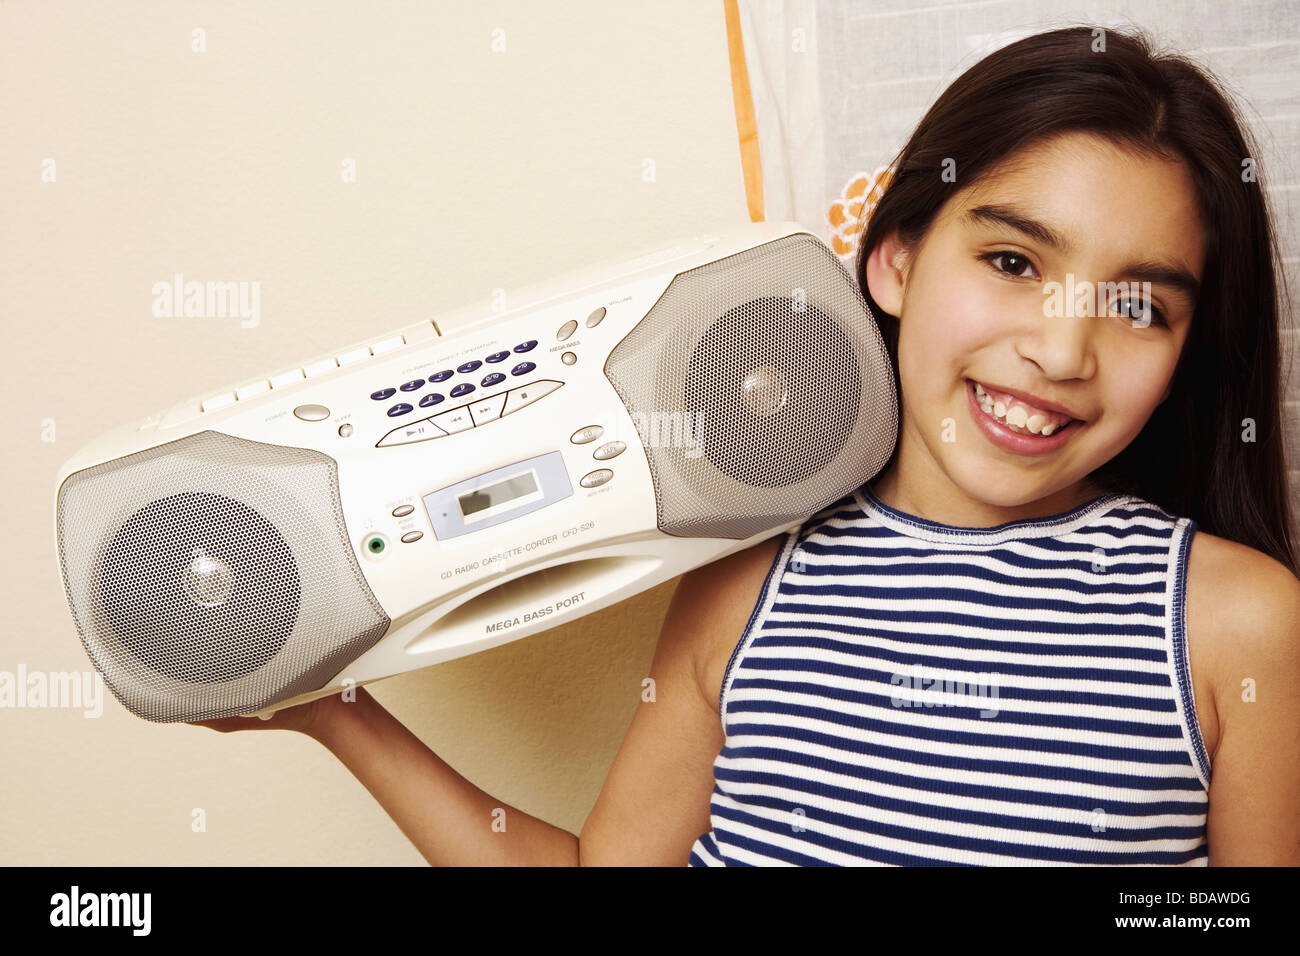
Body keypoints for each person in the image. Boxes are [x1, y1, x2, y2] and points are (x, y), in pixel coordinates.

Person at [193, 24, 1300, 865]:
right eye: (1012, 262)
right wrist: (335, 714)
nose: (1061, 352)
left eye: (1139, 307)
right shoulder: (750, 567)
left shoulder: (1234, 621)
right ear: (897, 261)